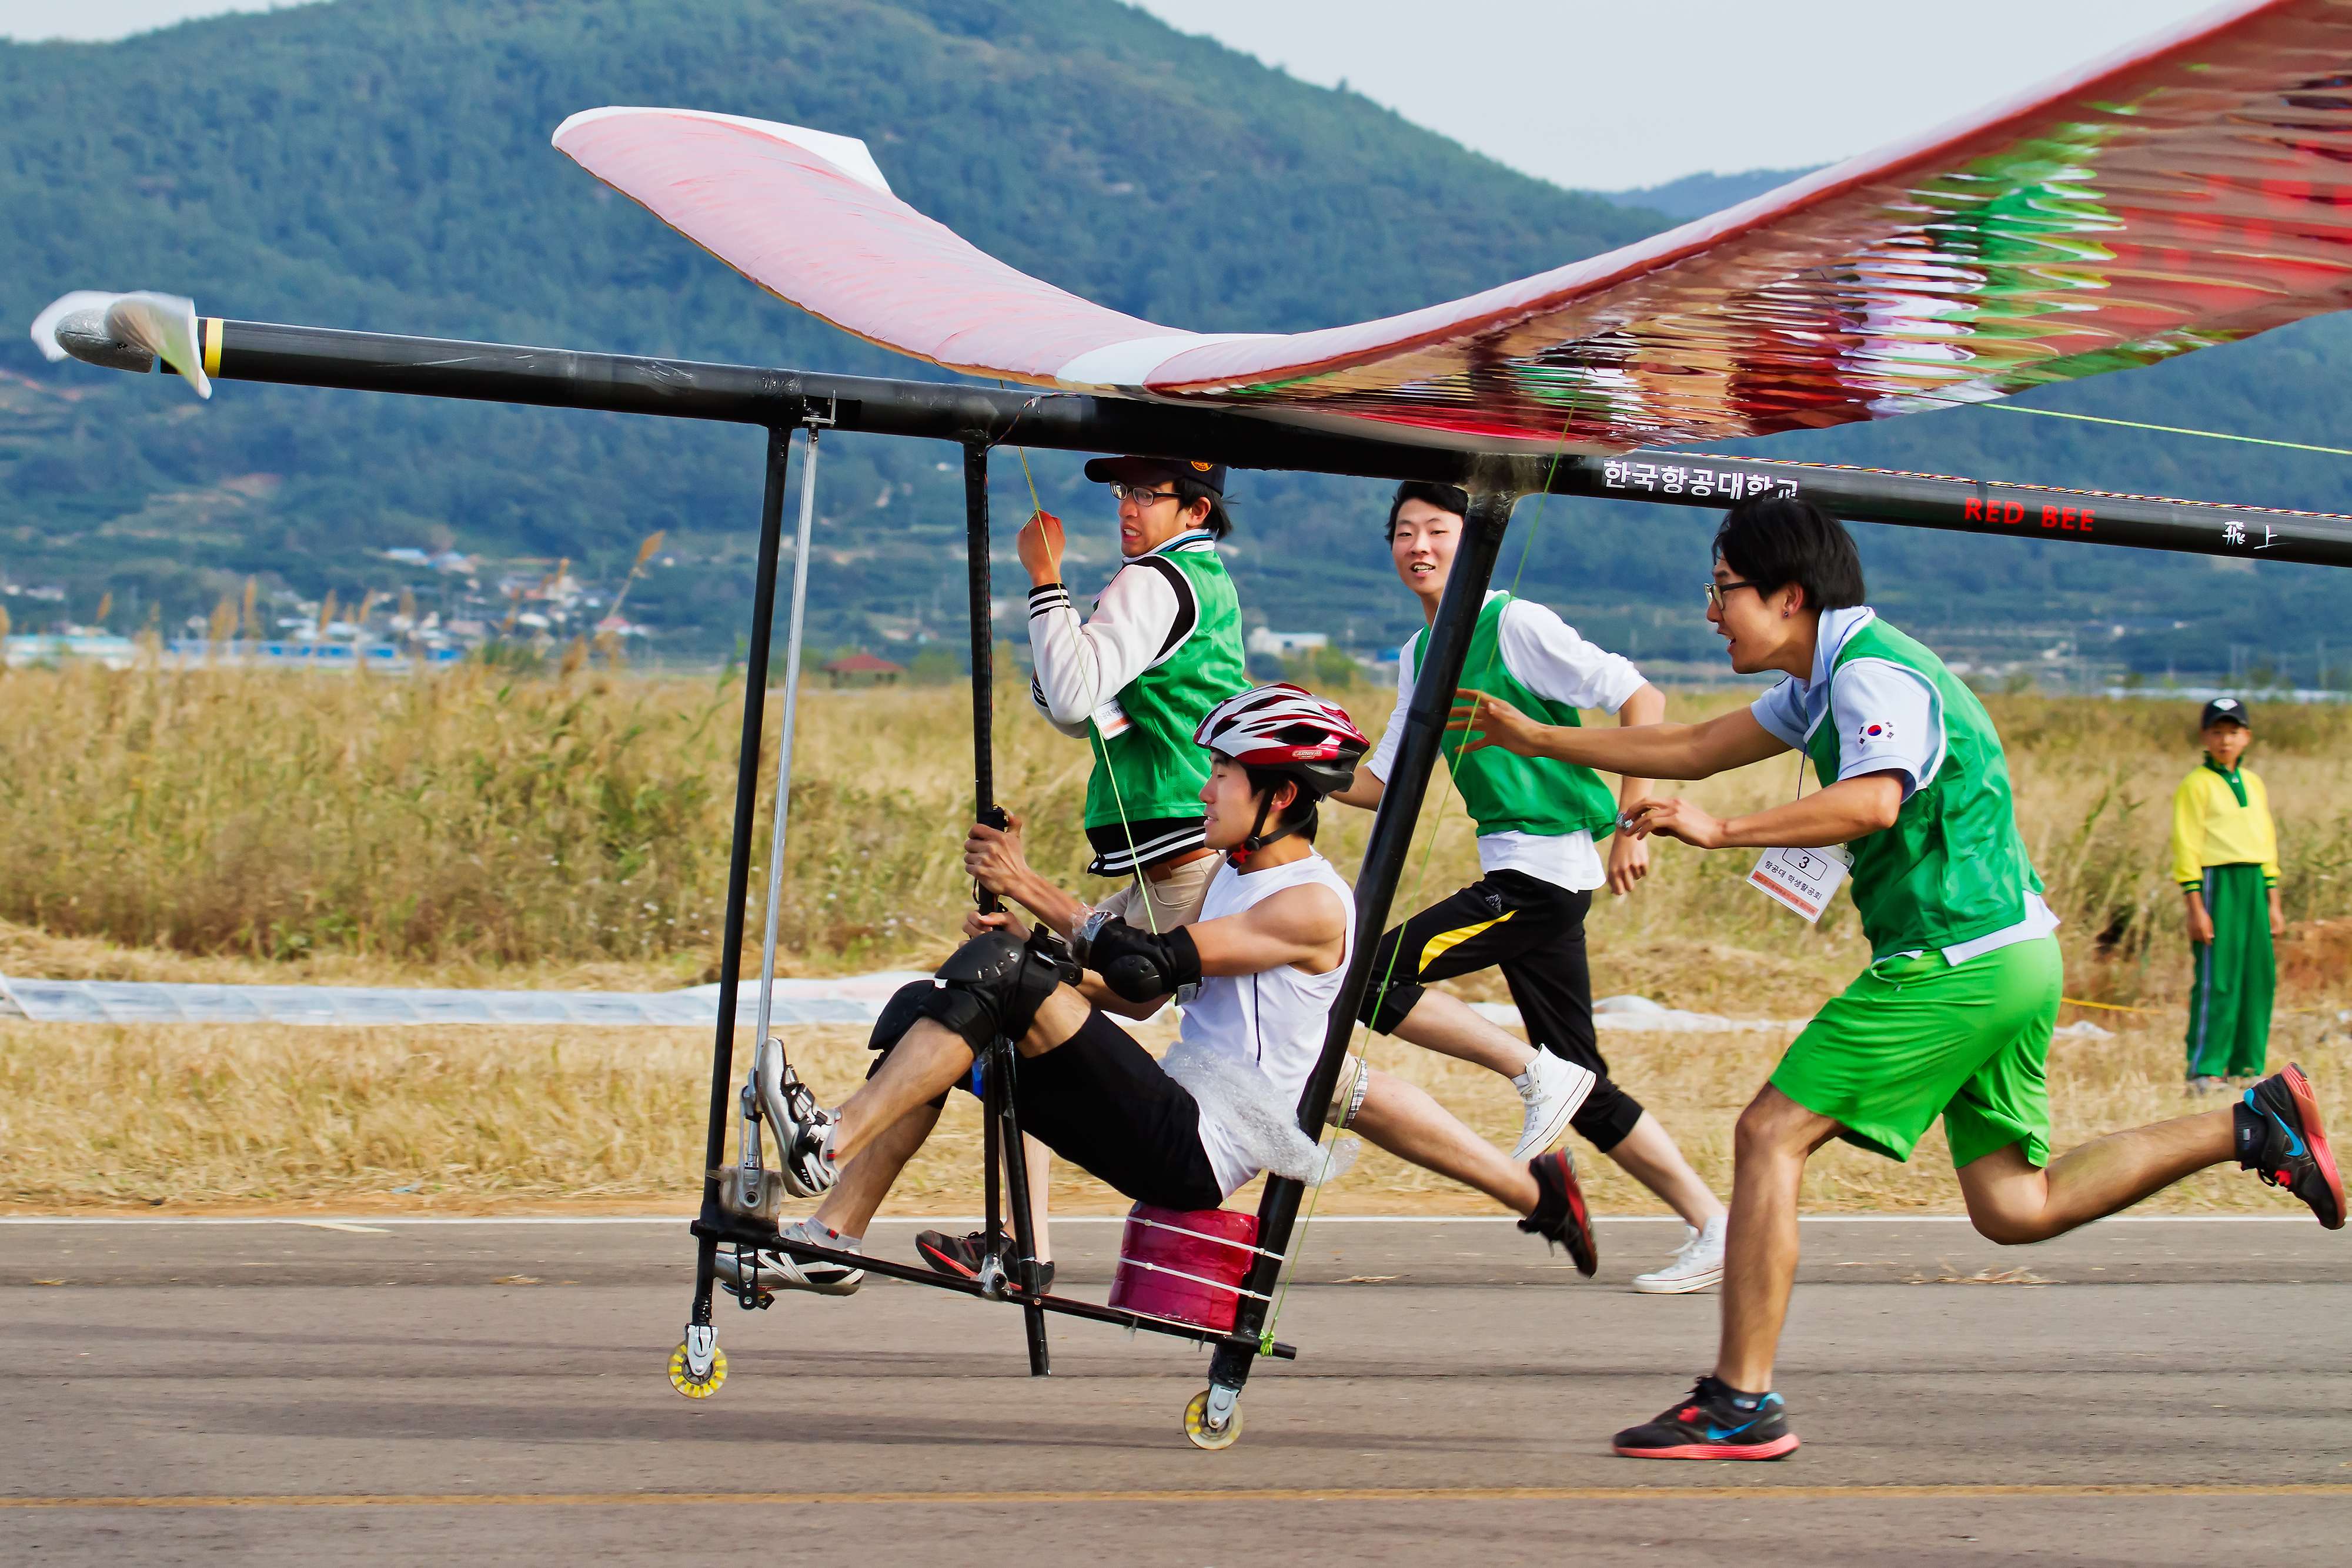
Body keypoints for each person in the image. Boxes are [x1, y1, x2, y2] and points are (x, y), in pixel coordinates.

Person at [1448, 495, 2345, 1462]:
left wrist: (1722, 830)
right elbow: (1696, 747)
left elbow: (1873, 802)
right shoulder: (1826, 675)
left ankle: (1740, 1396)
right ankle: (2251, 1122)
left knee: (1767, 1132)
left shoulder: (1873, 674)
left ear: (1788, 596)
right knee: (2015, 1206)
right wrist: (1542, 739)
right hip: (2012, 957)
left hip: (1953, 962)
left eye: (1723, 592)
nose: (1713, 612)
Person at [723, 684, 1599, 1302]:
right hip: (1171, 1108)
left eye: (1224, 774)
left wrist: (1028, 890)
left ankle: (827, 1135)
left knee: (1003, 979)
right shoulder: (1234, 871)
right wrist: (1036, 950)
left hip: (1195, 1148)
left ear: (1282, 794)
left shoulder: (1310, 902)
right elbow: (1133, 1000)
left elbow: (1148, 965)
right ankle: (833, 1237)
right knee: (932, 1003)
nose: (1204, 788)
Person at [1333, 480, 1730, 1293]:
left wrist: (1631, 820)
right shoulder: (1421, 653)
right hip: (1522, 871)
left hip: (1543, 872)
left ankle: (1531, 1073)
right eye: (1404, 532)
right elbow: (1385, 780)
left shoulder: (1512, 622)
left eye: (1438, 530)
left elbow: (1637, 694)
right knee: (1582, 1078)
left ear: (1471, 539)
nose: (1420, 546)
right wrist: (1286, 767)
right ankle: (1713, 1220)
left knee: (1369, 976)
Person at [913, 456, 1252, 1286]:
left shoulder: (1151, 581)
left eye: (1147, 493)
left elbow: (1068, 700)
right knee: (1020, 1008)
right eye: (1122, 492)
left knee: (1019, 1005)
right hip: (1173, 864)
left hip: (1179, 864)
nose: (1128, 508)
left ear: (1194, 507)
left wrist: (1043, 579)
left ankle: (1023, 1245)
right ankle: (1023, 1245)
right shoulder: (1204, 585)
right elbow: (1095, 703)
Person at [2171, 696, 2286, 1094]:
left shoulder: (2254, 782)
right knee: (2218, 976)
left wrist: (2273, 900)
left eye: (2233, 732)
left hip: (2254, 880)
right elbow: (2186, 844)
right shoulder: (2196, 784)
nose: (2225, 740)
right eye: (2217, 732)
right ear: (2205, 736)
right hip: (2217, 882)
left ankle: (2247, 1065)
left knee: (2258, 976)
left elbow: (2266, 840)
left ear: (2247, 737)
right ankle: (2205, 1068)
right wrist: (2195, 905)